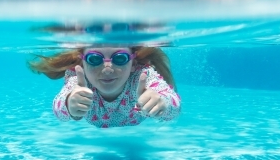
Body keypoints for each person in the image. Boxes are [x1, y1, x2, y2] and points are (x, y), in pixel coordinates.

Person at [27, 46, 181, 128]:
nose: (107, 68)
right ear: (83, 63)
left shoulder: (142, 76)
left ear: (133, 64)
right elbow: (58, 108)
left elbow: (174, 105)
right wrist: (69, 103)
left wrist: (162, 103)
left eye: (120, 58)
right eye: (94, 59)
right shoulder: (79, 79)